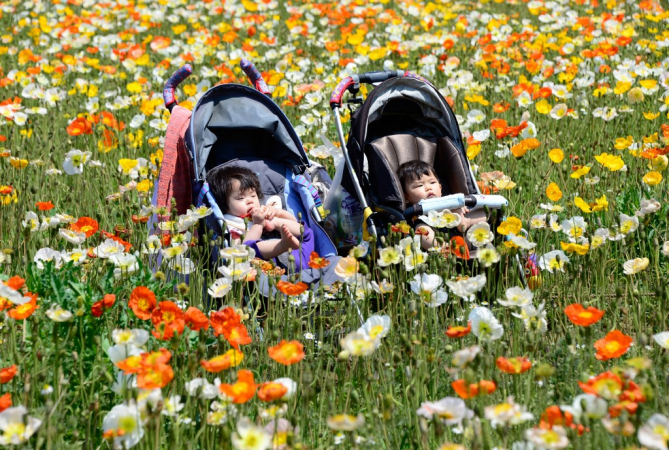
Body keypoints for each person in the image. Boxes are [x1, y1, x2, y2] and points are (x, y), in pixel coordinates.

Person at [207, 165, 315, 268]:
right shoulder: (231, 224)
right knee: (246, 250)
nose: (250, 201)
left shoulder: (265, 210)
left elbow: (296, 226)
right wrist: (258, 225)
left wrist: (277, 216)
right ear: (224, 204)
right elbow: (241, 249)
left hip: (301, 256)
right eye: (241, 198)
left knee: (305, 231)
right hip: (270, 265)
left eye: (253, 196)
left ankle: (283, 236)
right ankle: (283, 244)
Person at [398, 160, 485, 250]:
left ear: (440, 187)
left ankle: (465, 222)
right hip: (430, 227)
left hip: (458, 229)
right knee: (421, 231)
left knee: (486, 210)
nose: (428, 188)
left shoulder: (449, 201)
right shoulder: (416, 215)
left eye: (432, 182)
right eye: (419, 185)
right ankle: (445, 247)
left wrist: (460, 209)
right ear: (406, 197)